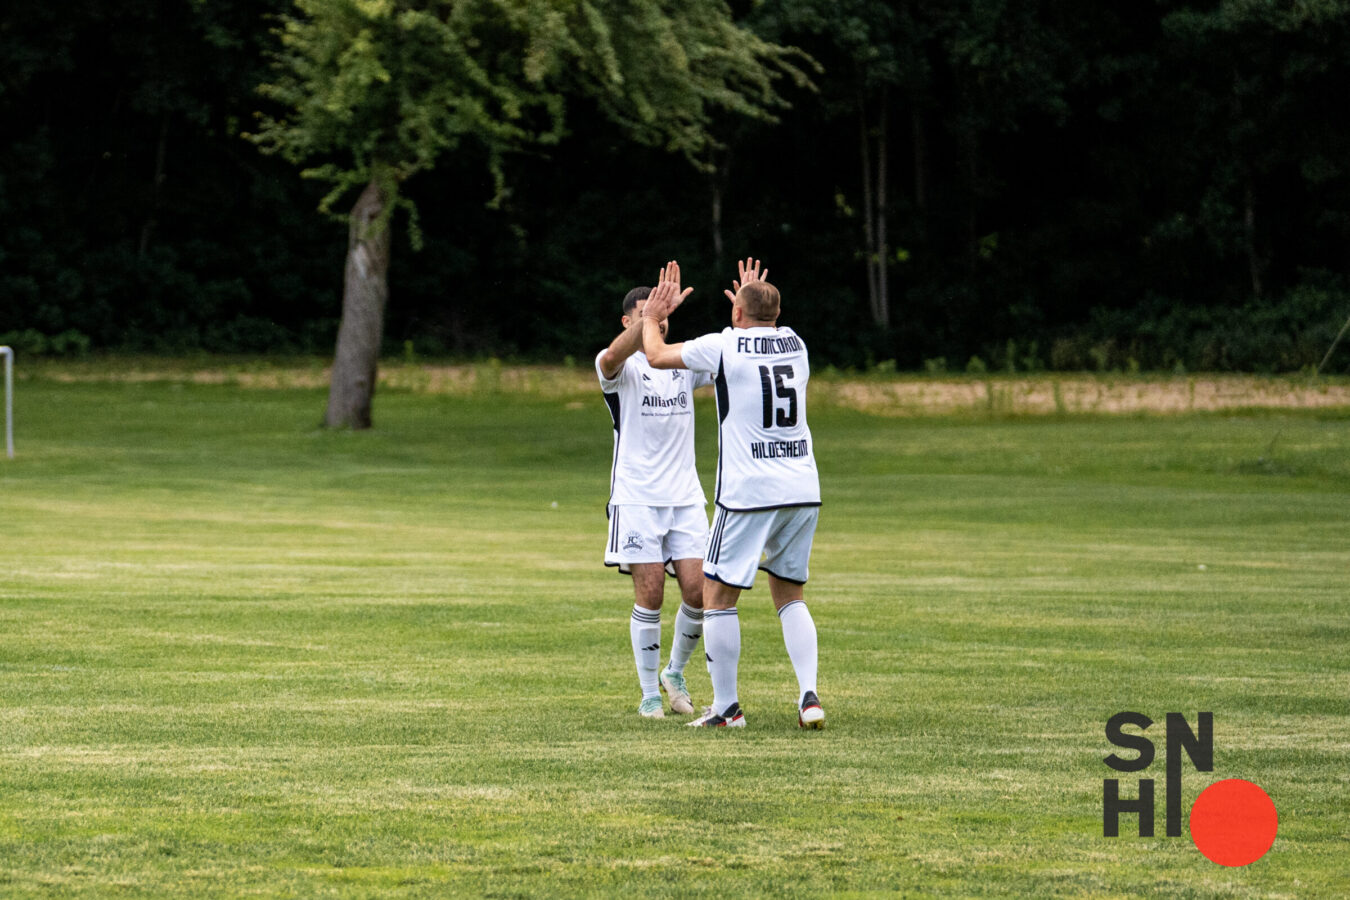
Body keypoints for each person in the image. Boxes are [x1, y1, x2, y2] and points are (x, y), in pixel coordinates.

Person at [640, 257, 823, 729]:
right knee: (790, 594)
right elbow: (764, 322)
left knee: (717, 596)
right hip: (802, 487)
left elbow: (656, 355)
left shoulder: (723, 344)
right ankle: (809, 697)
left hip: (748, 491)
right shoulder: (796, 343)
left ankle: (726, 709)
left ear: (736, 312)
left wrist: (651, 317)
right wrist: (755, 299)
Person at [596, 263, 712, 719]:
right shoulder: (619, 367)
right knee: (650, 594)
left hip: (686, 497)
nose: (659, 320)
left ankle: (674, 673)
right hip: (637, 497)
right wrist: (648, 321)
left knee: (700, 592)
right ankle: (649, 695)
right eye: (648, 314)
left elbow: (728, 358)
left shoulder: (680, 361)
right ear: (628, 321)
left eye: (663, 314)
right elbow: (611, 356)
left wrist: (752, 312)